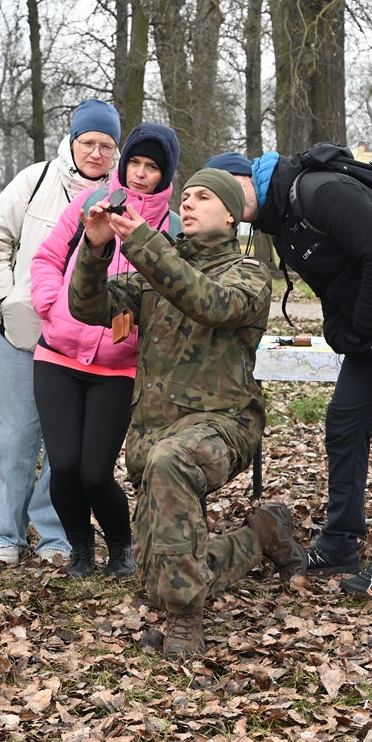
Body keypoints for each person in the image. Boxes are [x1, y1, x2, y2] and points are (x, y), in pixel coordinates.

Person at [69, 167, 308, 660]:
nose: (190, 204)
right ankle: (261, 534)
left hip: (222, 425)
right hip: (154, 431)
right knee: (157, 578)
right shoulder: (157, 269)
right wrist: (94, 249)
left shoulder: (248, 272)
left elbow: (211, 303)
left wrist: (143, 242)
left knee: (171, 462)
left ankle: (185, 618)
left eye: (204, 197)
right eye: (188, 196)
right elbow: (88, 308)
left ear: (231, 215)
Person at [212, 150, 372, 597]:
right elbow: (331, 285)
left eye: (227, 187)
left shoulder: (318, 191)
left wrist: (360, 329)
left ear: (247, 177)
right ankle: (341, 542)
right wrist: (340, 332)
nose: (225, 201)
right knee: (344, 425)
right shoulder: (281, 225)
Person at [0, 100, 122, 566]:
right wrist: (7, 298)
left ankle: (55, 536)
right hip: (20, 336)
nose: (96, 153)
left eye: (106, 145)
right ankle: (6, 535)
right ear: (72, 142)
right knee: (14, 439)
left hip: (81, 347)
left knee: (64, 450)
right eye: (88, 142)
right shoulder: (35, 180)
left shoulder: (122, 198)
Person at [30, 123, 180, 578]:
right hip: (57, 356)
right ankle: (80, 550)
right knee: (64, 467)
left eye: (152, 167)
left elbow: (175, 295)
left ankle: (120, 549)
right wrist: (51, 305)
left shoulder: (171, 229)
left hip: (118, 368)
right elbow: (47, 258)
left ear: (165, 175)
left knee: (95, 472)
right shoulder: (88, 203)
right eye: (134, 162)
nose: (140, 174)